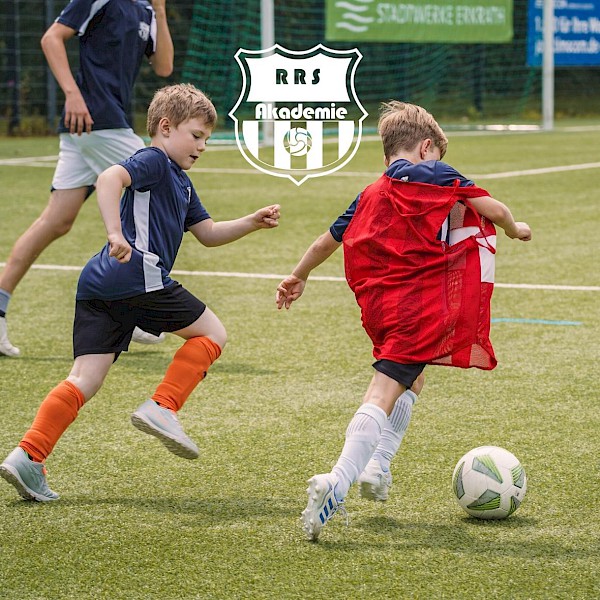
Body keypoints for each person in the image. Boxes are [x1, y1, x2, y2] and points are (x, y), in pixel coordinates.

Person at [0, 83, 281, 502]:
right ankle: (163, 406)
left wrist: (251, 222)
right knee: (213, 334)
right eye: (196, 135)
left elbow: (207, 233)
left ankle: (29, 455)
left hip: (99, 284)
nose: (202, 146)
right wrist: (115, 232)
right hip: (137, 275)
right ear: (165, 128)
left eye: (206, 137)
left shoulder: (182, 183)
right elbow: (110, 177)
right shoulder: (154, 160)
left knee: (84, 378)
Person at [276, 101, 532, 541]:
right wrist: (514, 227)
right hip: (416, 306)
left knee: (412, 378)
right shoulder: (438, 174)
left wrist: (297, 275)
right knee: (382, 390)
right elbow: (492, 207)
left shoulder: (370, 192)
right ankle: (336, 482)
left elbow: (326, 241)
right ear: (427, 147)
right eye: (434, 154)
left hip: (379, 307)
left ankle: (378, 465)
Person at [0, 0, 175, 357]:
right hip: (97, 119)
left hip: (93, 127)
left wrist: (160, 10)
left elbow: (164, 66)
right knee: (158, 189)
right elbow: (52, 38)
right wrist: (72, 95)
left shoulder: (145, 9)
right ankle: (138, 308)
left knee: (57, 221)